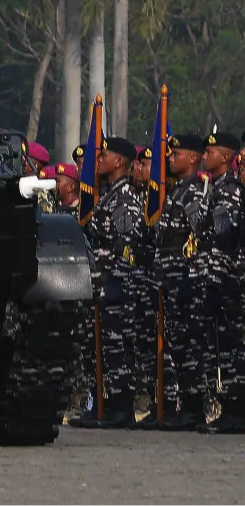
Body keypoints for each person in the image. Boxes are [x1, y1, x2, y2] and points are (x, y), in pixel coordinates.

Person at [72, 135, 142, 428]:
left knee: (115, 347)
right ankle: (102, 404)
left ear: (120, 162)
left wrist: (117, 279)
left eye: (104, 156)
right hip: (98, 280)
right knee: (98, 346)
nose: (98, 160)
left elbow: (129, 240)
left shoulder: (124, 196)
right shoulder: (109, 193)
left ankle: (120, 408)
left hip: (114, 281)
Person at [153, 133, 210, 429]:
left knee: (189, 346)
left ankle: (194, 408)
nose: (170, 158)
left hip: (185, 279)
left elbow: (199, 235)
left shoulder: (193, 193)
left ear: (193, 158)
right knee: (177, 344)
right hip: (171, 279)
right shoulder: (178, 191)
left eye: (177, 154)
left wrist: (192, 275)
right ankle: (184, 407)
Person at [199, 131, 243, 431]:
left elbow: (224, 240)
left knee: (235, 347)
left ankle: (237, 409)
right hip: (231, 278)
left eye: (211, 151)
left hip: (232, 278)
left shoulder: (228, 191)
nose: (205, 155)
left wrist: (215, 280)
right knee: (228, 347)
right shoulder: (217, 188)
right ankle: (232, 408)